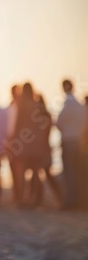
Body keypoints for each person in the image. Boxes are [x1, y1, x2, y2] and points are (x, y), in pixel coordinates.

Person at [56, 79, 87, 210]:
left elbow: (59, 123)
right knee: (79, 172)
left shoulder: (67, 105)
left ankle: (71, 201)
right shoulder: (80, 105)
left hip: (68, 141)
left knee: (69, 173)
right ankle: (80, 200)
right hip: (79, 142)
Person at [34, 95, 63, 207]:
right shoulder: (45, 116)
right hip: (43, 147)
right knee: (40, 173)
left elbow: (42, 134)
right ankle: (38, 198)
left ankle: (57, 197)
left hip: (42, 148)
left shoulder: (42, 117)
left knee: (44, 173)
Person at [5, 85, 23, 204]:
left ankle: (20, 195)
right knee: (13, 168)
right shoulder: (11, 106)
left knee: (19, 169)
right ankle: (17, 194)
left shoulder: (21, 106)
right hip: (11, 141)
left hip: (19, 141)